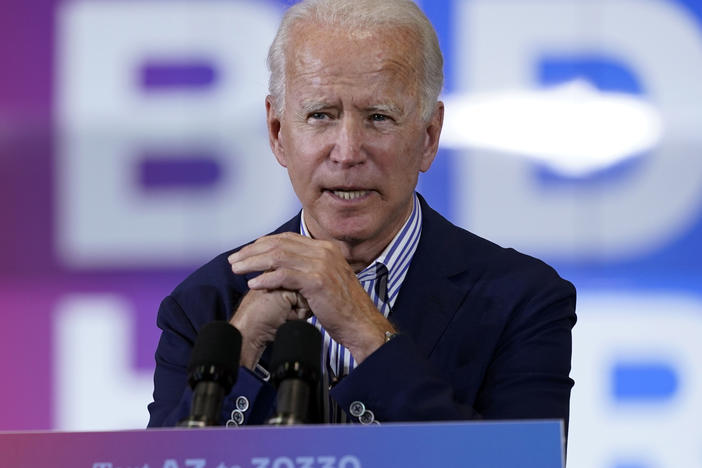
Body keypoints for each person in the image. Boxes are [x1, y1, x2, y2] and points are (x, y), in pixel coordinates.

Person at [147, 0, 576, 431]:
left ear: (429, 136)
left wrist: (362, 327)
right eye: (320, 115)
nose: (348, 152)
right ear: (278, 134)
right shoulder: (205, 306)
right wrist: (240, 352)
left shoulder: (523, 301)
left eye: (378, 117)